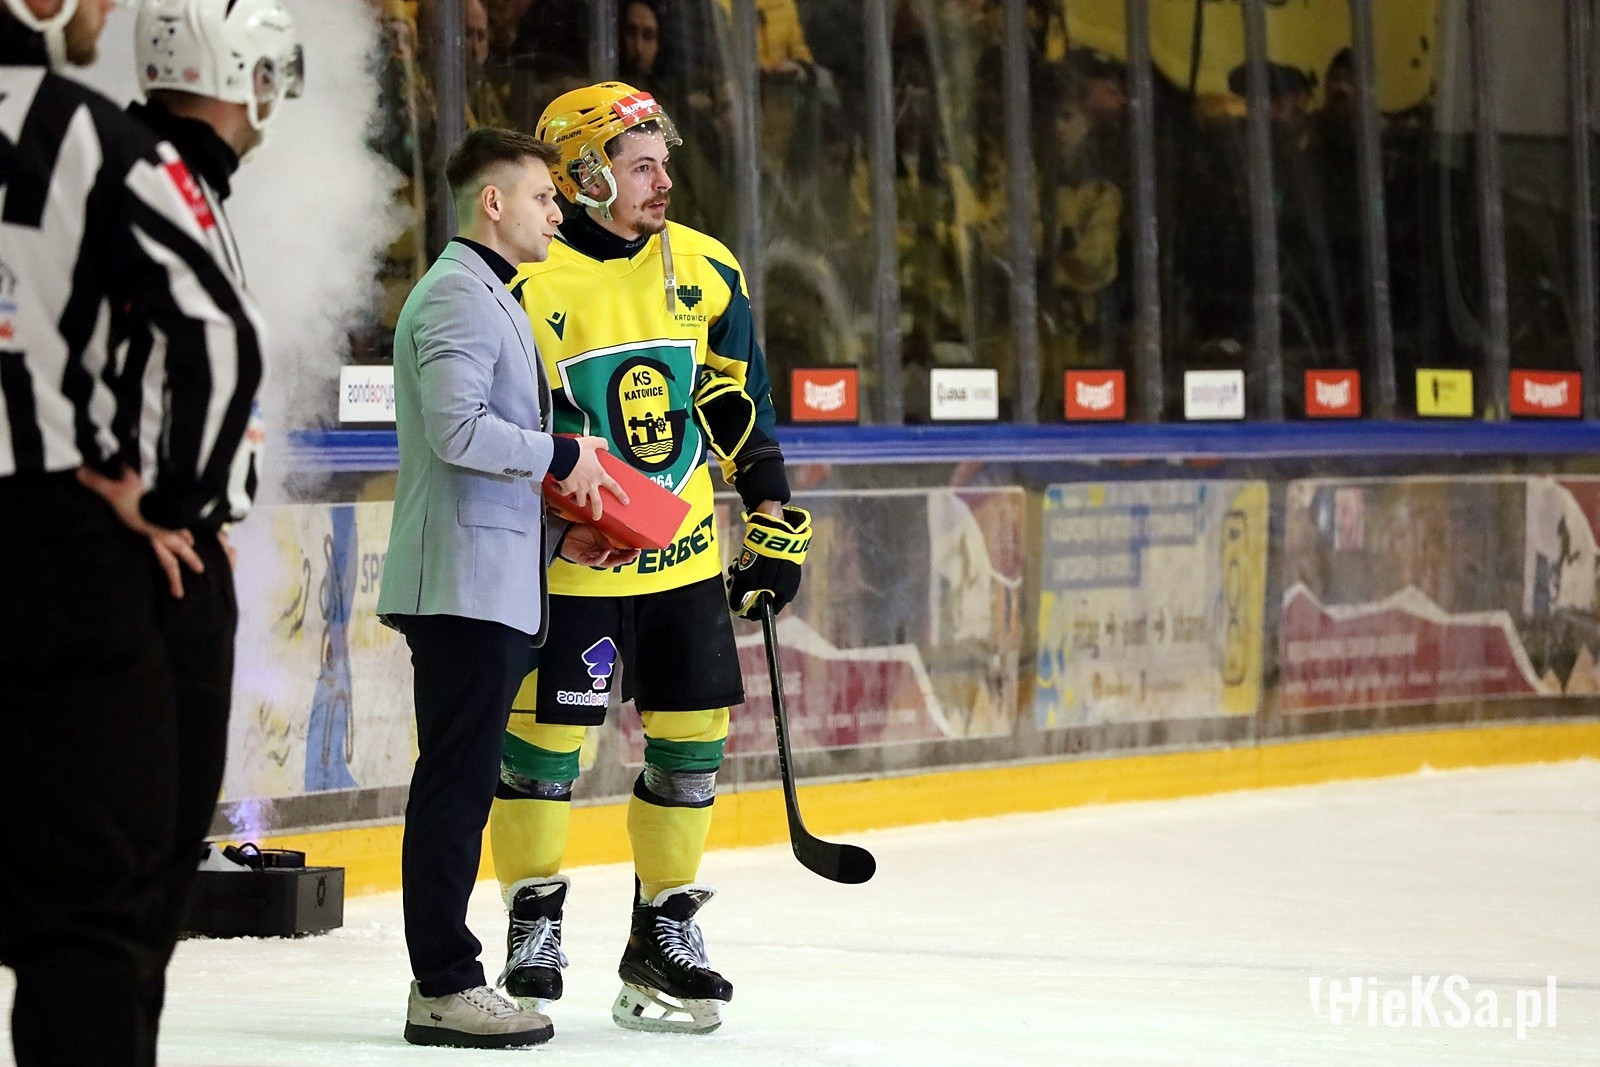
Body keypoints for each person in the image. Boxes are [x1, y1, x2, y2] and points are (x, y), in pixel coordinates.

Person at [488, 81, 809, 1037]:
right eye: (640, 166)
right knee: (542, 750)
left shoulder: (706, 266)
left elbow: (738, 401)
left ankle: (662, 931)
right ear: (584, 176)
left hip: (682, 560)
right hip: (571, 567)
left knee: (692, 745)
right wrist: (552, 523)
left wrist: (771, 515)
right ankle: (533, 922)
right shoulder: (523, 279)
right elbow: (500, 432)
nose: (663, 180)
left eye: (663, 162)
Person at [0, 1, 263, 1064]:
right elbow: (219, 336)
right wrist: (167, 503)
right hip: (52, 548)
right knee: (95, 909)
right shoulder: (95, 135)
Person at [376, 126, 636, 1050]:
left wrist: (563, 530)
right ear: (494, 202)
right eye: (542, 197)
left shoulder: (489, 293)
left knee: (461, 780)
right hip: (460, 587)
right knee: (454, 785)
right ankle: (445, 983)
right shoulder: (458, 294)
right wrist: (564, 453)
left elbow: (477, 459)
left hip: (485, 580)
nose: (558, 213)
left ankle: (446, 978)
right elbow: (457, 432)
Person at [120, 0, 301, 1031]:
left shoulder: (190, 183)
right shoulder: (143, 174)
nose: (272, 94)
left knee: (154, 850)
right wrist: (142, 495)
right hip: (151, 552)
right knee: (134, 854)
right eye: (262, 71)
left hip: (183, 540)